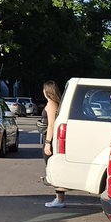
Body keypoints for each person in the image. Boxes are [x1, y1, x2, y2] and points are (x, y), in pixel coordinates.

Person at [42, 80, 68, 209]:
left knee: (53, 169)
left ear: (47, 91)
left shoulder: (51, 104)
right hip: (49, 139)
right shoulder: (53, 103)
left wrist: (48, 143)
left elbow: (51, 124)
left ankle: (60, 199)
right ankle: (58, 198)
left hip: (50, 140)